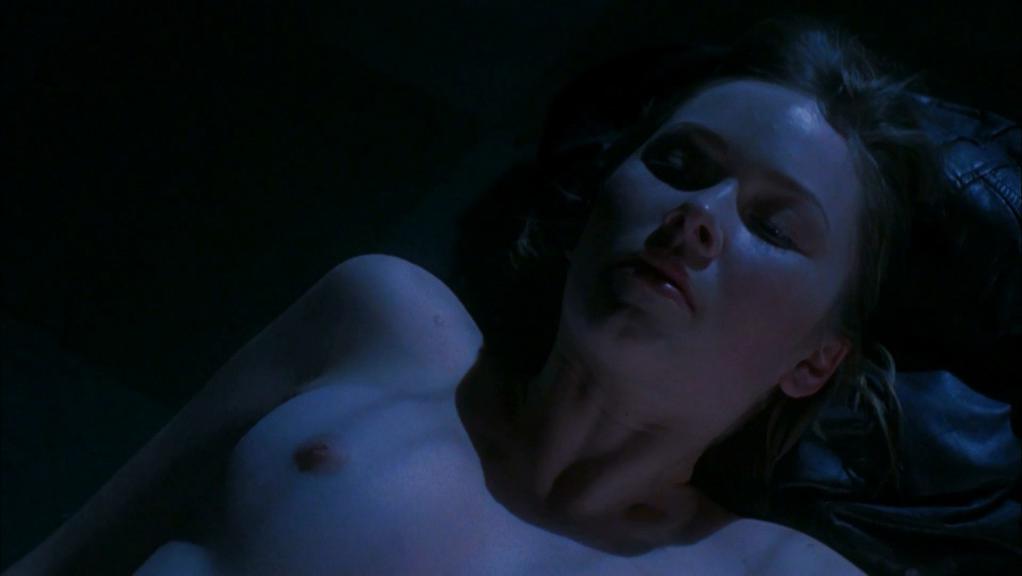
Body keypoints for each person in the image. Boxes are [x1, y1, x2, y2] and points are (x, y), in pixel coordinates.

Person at [6, 15, 944, 575]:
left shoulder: (778, 570)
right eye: (680, 164)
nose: (698, 216)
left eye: (774, 226)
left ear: (816, 361)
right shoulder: (380, 328)